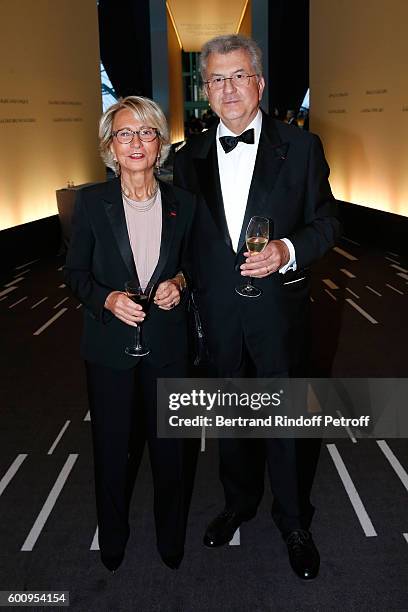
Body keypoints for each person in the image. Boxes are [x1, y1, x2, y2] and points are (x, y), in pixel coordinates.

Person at [173, 34, 340, 580]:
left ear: (259, 83)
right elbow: (185, 241)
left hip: (279, 317)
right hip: (219, 320)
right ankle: (239, 502)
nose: (229, 89)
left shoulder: (302, 147)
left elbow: (327, 223)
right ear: (205, 90)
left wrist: (288, 250)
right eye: (216, 79)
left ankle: (293, 519)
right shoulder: (188, 157)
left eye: (239, 75)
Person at [64, 96, 198, 573]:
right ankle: (114, 538)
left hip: (167, 348)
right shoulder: (91, 203)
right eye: (125, 134)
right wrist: (105, 298)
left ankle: (171, 538)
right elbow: (74, 272)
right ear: (110, 146)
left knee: (172, 452)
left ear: (160, 143)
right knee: (112, 451)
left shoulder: (185, 203)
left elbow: (194, 268)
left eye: (145, 133)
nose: (136, 143)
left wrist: (179, 284)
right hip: (108, 350)